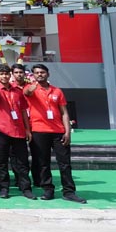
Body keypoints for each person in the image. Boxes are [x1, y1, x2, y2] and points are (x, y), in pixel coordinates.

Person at [23, 64, 86, 203]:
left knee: (65, 163)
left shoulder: (57, 91)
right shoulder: (30, 89)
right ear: (33, 75)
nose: (40, 74)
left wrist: (67, 132)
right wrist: (31, 88)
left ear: (48, 74)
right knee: (43, 163)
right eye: (37, 73)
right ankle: (48, 190)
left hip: (58, 132)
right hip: (39, 131)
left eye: (42, 72)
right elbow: (26, 93)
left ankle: (69, 192)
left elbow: (64, 113)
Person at [0, 64, 34, 199]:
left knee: (22, 161)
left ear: (10, 75)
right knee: (1, 162)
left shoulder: (18, 91)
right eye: (1, 74)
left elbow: (23, 111)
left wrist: (27, 129)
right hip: (0, 130)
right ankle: (4, 188)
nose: (4, 76)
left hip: (18, 131)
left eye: (6, 74)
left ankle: (26, 188)